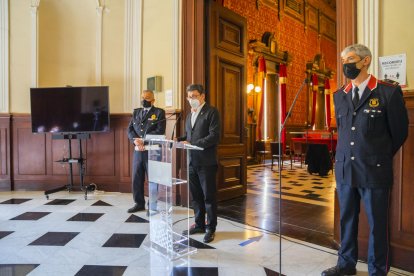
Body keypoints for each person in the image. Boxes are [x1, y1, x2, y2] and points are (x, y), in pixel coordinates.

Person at [322, 44, 408, 276]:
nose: (345, 64)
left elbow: (400, 132)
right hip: (345, 168)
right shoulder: (339, 95)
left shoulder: (388, 92)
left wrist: (377, 155)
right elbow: (344, 130)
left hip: (374, 170)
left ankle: (377, 270)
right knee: (347, 221)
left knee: (378, 225)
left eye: (350, 59)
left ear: (365, 61)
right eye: (343, 60)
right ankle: (345, 264)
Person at [178, 84, 220, 243]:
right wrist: (179, 140)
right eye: (189, 96)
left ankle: (211, 228)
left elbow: (214, 136)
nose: (191, 99)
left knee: (208, 196)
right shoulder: (189, 115)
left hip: (206, 162)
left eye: (194, 96)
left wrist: (193, 143)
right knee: (196, 196)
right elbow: (188, 135)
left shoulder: (211, 112)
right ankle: (199, 224)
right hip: (192, 162)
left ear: (203, 96)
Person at [127, 90, 166, 213]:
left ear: (153, 100)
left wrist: (144, 140)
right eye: (142, 97)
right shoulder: (136, 112)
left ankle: (152, 206)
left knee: (153, 179)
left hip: (153, 151)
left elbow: (160, 130)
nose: (144, 100)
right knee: (136, 178)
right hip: (138, 150)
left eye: (147, 98)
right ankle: (139, 203)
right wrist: (135, 140)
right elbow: (130, 129)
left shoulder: (159, 112)